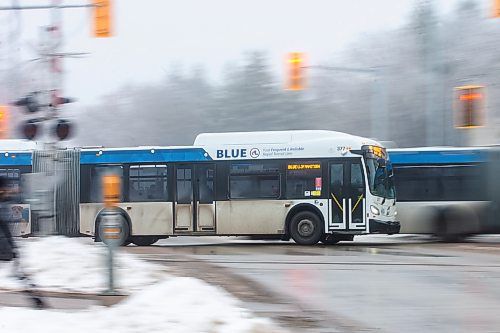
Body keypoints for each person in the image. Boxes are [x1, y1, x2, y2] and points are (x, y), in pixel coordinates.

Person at [0, 177, 16, 261]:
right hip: (3, 213)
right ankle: (9, 252)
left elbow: (7, 193)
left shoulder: (2, 180)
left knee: (5, 233)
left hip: (2, 214)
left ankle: (9, 252)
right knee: (5, 233)